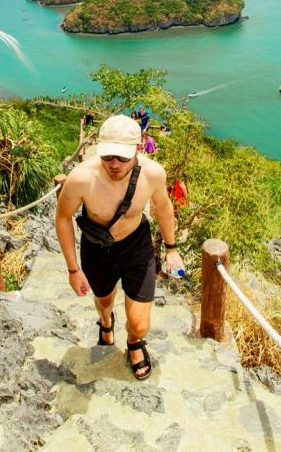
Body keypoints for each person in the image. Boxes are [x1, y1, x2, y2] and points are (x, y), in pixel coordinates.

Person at [54, 115, 182, 380]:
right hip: (96, 247)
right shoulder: (81, 178)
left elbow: (164, 207)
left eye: (122, 158)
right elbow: (63, 217)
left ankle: (134, 342)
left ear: (138, 149)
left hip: (136, 245)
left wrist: (171, 248)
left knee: (139, 324)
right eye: (108, 156)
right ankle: (106, 321)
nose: (114, 165)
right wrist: (72, 269)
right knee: (104, 300)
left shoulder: (152, 174)